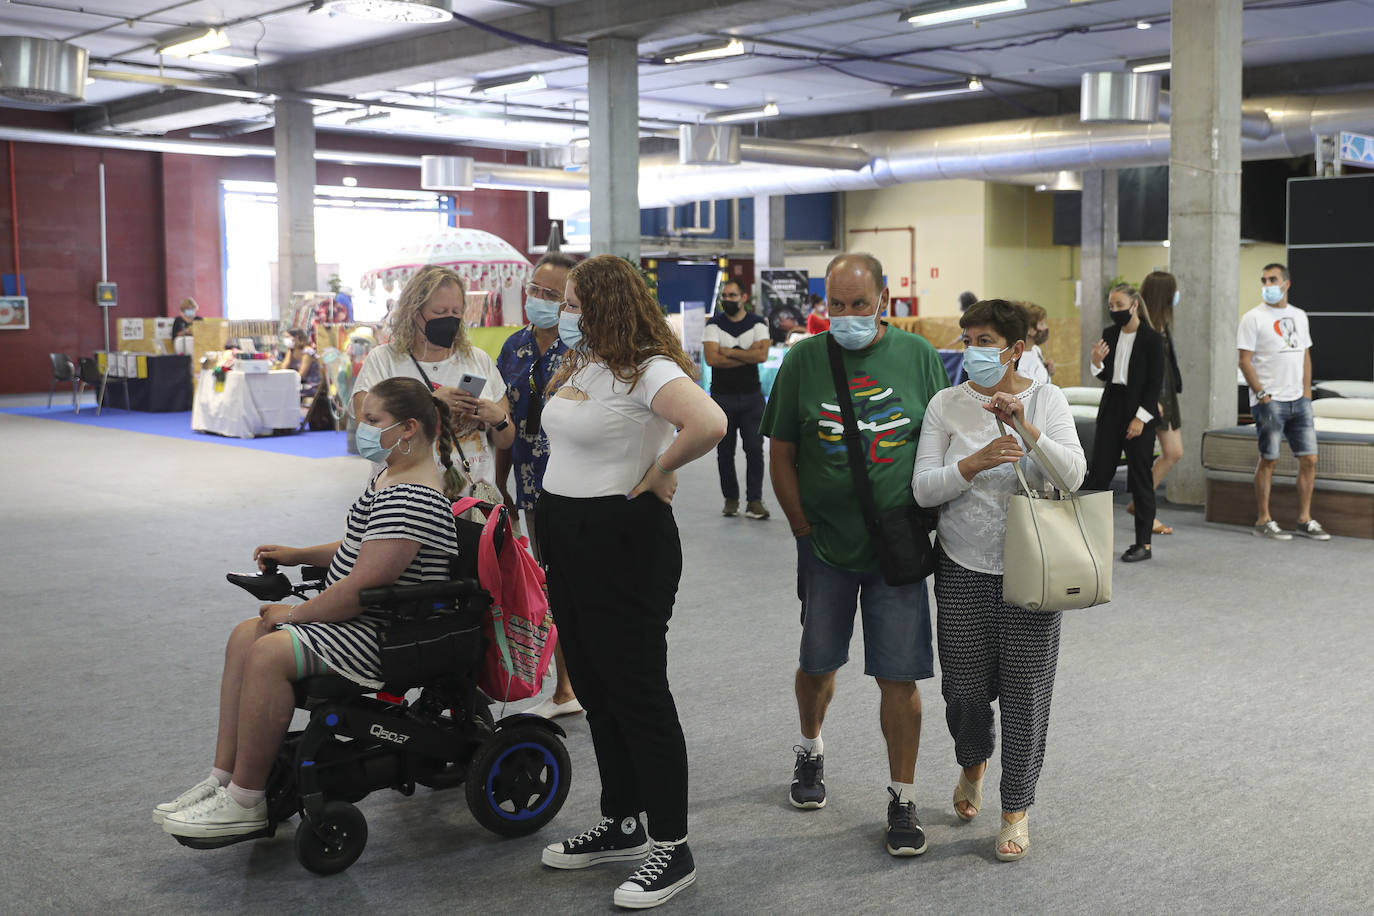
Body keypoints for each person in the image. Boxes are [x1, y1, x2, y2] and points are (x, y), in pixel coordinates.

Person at [154, 377, 462, 839]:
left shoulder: (413, 497)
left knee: (268, 652)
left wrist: (296, 614)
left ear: (408, 428)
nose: (363, 430)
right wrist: (299, 554)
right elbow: (361, 547)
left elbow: (361, 587)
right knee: (245, 635)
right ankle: (224, 777)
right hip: (364, 617)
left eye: (373, 421)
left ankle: (246, 799)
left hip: (383, 631)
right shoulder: (390, 476)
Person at [537, 255, 726, 910]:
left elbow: (709, 422)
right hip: (568, 537)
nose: (562, 313)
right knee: (594, 686)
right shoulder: (586, 363)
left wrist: (660, 467)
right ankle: (623, 821)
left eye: (570, 302)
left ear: (605, 305)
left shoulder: (651, 368)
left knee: (637, 690)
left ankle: (672, 847)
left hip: (623, 544)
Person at [760, 253, 950, 858]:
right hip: (825, 548)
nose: (846, 316)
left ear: (883, 300)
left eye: (858, 305)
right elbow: (782, 452)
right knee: (818, 663)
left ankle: (902, 795)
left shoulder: (919, 358)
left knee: (901, 676)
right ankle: (810, 747)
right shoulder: (803, 360)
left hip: (897, 551)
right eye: (835, 305)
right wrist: (799, 527)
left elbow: (941, 442)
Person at [913, 298, 1086, 863]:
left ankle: (1016, 810)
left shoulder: (1047, 398)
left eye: (986, 340)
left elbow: (1073, 475)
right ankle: (972, 764)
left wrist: (1025, 427)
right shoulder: (946, 404)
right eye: (969, 338)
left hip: (1033, 570)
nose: (974, 350)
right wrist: (974, 462)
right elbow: (923, 489)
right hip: (962, 566)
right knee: (963, 692)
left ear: (1016, 349)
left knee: (1025, 696)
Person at [495, 252, 582, 720]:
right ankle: (565, 687)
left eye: (554, 295)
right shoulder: (514, 347)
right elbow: (503, 420)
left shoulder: (583, 349)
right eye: (536, 290)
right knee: (550, 580)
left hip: (581, 483)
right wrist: (498, 483)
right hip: (531, 485)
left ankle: (578, 684)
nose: (541, 301)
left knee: (579, 582)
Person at [352, 265, 515, 501]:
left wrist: (497, 418)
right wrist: (429, 404)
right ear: (414, 311)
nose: (450, 319)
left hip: (473, 503)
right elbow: (369, 445)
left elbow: (506, 439)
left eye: (457, 311)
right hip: (404, 502)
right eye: (440, 312)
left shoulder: (478, 360)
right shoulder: (383, 361)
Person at [1238, 263, 1330, 541]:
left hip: (1298, 401)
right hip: (1269, 402)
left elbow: (1305, 355)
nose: (1267, 285)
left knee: (1310, 459)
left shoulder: (1299, 316)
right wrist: (1262, 394)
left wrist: (1306, 393)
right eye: (1264, 280)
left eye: (1273, 279)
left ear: (1286, 283)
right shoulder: (1252, 318)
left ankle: (1304, 519)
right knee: (1269, 459)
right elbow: (1244, 361)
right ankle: (1263, 519)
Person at [1084, 283, 1166, 563]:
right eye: (1111, 306)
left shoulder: (1153, 339)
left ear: (1134, 305)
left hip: (1139, 411)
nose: (1114, 311)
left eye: (1119, 305)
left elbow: (1155, 384)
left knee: (1141, 478)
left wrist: (1140, 419)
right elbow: (1105, 375)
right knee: (1098, 474)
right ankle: (1087, 539)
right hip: (1112, 408)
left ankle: (1143, 543)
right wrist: (1096, 362)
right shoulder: (1110, 334)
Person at [704, 279, 772, 520]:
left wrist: (729, 351)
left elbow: (762, 355)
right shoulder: (713, 324)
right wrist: (747, 355)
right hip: (722, 398)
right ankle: (730, 499)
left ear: (743, 298)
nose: (728, 300)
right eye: (725, 295)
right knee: (725, 451)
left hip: (752, 398)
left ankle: (755, 501)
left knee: (755, 449)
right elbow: (712, 359)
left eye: (732, 295)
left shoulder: (757, 323)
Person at [1136, 271, 1185, 535]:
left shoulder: (1162, 324)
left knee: (1174, 452)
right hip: (1154, 399)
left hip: (1166, 397)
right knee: (1151, 455)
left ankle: (1140, 502)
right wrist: (1152, 399)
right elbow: (1143, 370)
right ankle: (1146, 511)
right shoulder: (1144, 327)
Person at [277, 327, 322, 400]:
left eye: (287, 337)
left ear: (296, 337)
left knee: (284, 393)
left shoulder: (307, 352)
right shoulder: (292, 350)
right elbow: (283, 368)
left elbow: (302, 374)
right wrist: (289, 354)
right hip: (300, 383)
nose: (285, 340)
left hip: (311, 384)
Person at [1014, 302, 1053, 386]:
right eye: (1042, 324)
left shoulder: (1035, 350)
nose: (1046, 327)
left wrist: (1048, 372)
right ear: (1029, 329)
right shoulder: (1017, 359)